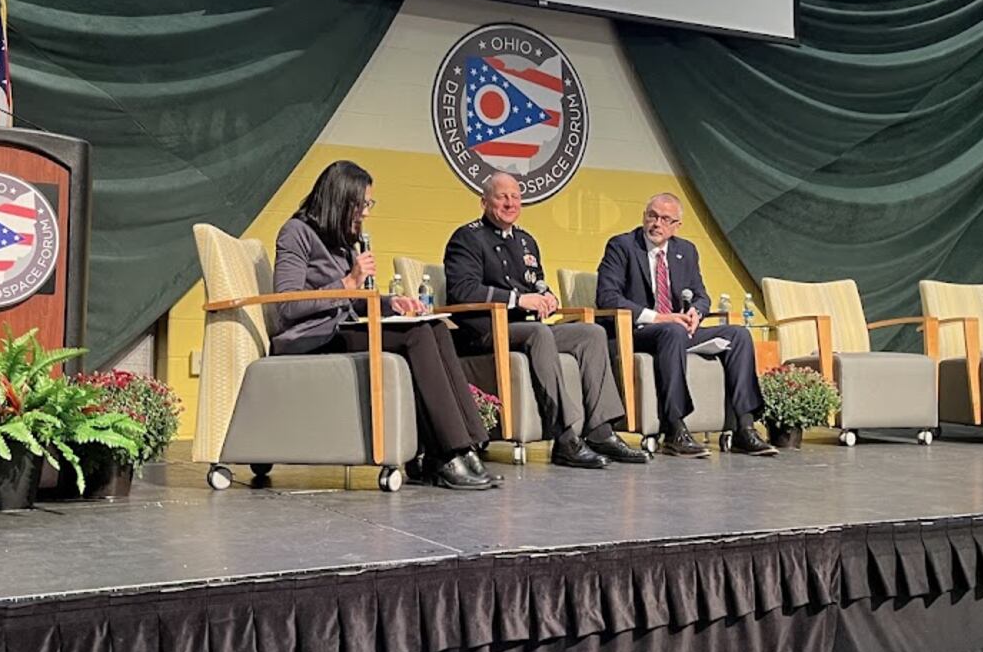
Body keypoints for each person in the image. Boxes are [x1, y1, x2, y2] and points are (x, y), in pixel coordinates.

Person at [272, 161, 494, 490]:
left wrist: (394, 303)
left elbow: (359, 300)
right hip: (312, 338)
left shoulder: (342, 242)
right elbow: (286, 304)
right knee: (417, 335)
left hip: (340, 328)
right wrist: (348, 281)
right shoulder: (296, 232)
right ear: (340, 200)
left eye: (368, 205)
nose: (366, 213)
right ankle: (445, 453)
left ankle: (468, 443)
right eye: (362, 204)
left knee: (433, 327)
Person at [443, 172, 645, 469]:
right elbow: (462, 290)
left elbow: (535, 283)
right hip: (485, 331)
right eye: (502, 196)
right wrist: (517, 300)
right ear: (484, 201)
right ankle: (564, 437)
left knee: (591, 333)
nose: (510, 203)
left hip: (527, 329)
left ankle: (601, 431)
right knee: (539, 333)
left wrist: (547, 296)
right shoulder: (467, 237)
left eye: (515, 196)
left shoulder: (526, 241)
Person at [595, 193, 775, 456]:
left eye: (665, 219)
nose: (656, 223)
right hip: (633, 332)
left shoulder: (686, 251)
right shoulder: (622, 246)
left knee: (738, 335)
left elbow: (702, 295)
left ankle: (744, 428)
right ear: (644, 216)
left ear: (677, 225)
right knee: (673, 330)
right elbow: (607, 297)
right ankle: (675, 429)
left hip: (677, 331)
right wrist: (659, 317)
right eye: (652, 216)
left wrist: (695, 313)